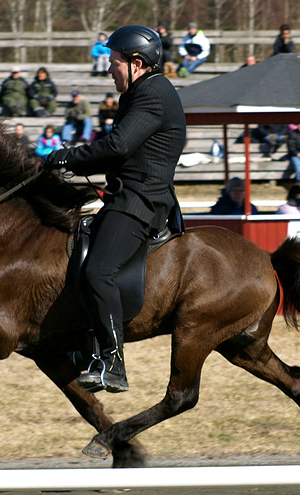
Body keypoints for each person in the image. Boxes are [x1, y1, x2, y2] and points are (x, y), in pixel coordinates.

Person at [44, 25, 186, 393]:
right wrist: (67, 164)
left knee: (99, 271)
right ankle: (88, 347)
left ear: (136, 63)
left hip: (141, 201)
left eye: (114, 62)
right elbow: (117, 150)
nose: (109, 69)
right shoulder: (139, 91)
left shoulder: (152, 94)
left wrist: (64, 158)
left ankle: (113, 361)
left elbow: (119, 146)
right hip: (125, 194)